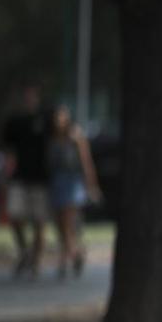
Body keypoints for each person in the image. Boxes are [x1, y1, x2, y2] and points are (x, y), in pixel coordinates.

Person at [0, 81, 52, 279]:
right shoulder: (15, 121)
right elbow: (7, 150)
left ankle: (36, 261)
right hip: (19, 177)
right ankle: (24, 252)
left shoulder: (45, 119)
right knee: (14, 215)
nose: (29, 99)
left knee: (40, 221)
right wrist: (6, 172)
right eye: (26, 95)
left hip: (41, 178)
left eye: (32, 95)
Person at [45, 104, 102, 278]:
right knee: (60, 226)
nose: (59, 120)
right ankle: (76, 253)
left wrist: (91, 185)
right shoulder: (52, 138)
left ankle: (66, 260)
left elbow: (86, 163)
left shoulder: (76, 136)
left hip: (73, 183)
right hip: (57, 183)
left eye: (62, 116)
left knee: (68, 223)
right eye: (56, 117)